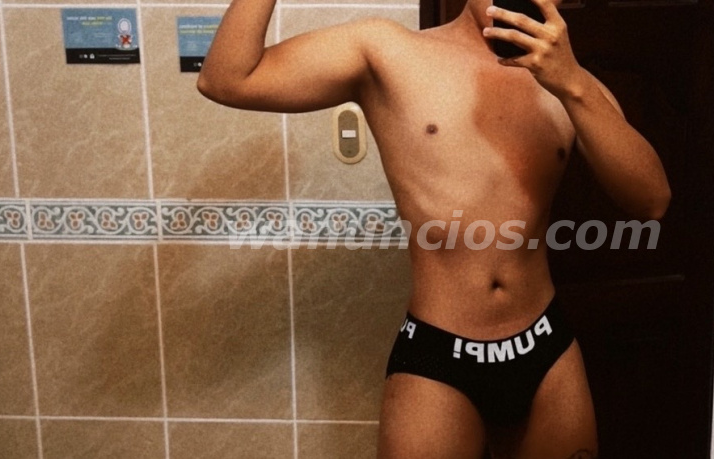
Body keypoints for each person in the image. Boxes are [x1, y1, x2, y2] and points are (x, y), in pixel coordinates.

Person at [197, 0, 670, 454]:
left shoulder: (575, 87)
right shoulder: (388, 52)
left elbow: (652, 201)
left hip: (546, 351)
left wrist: (571, 84)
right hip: (439, 355)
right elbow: (227, 79)